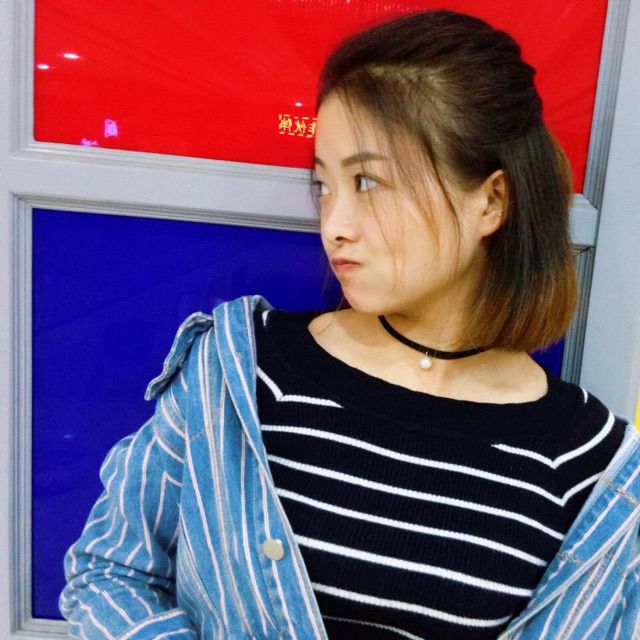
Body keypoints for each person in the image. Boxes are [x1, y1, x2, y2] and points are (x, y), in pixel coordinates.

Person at [59, 9, 640, 640]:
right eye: (324, 185)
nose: (334, 224)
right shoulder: (241, 371)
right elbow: (109, 570)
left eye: (368, 181)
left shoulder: (589, 464)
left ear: (491, 201)